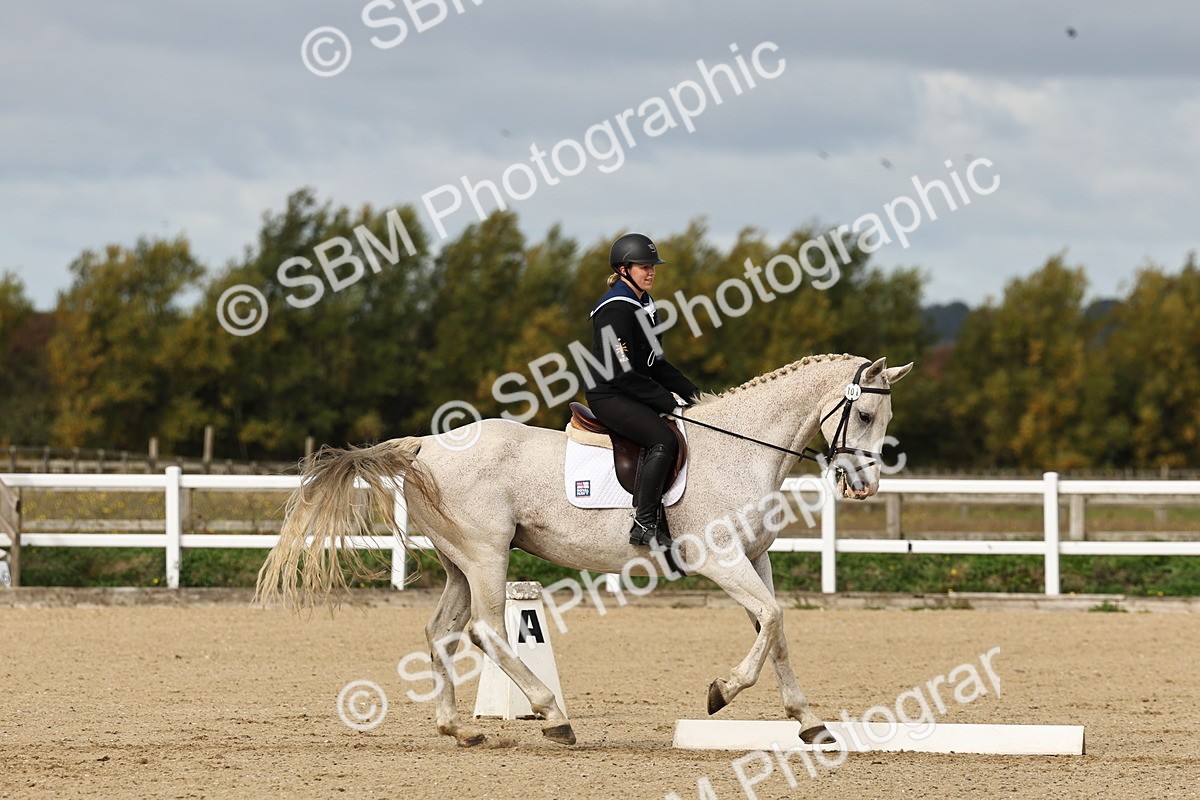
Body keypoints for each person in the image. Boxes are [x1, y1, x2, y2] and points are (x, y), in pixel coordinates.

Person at [584, 233, 700, 549]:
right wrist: (666, 400)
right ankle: (644, 522)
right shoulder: (614, 308)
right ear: (623, 269)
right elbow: (621, 372)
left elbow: (656, 365)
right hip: (610, 394)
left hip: (633, 392)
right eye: (643, 266)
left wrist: (696, 396)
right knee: (663, 439)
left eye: (653, 266)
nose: (650, 272)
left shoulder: (646, 305)